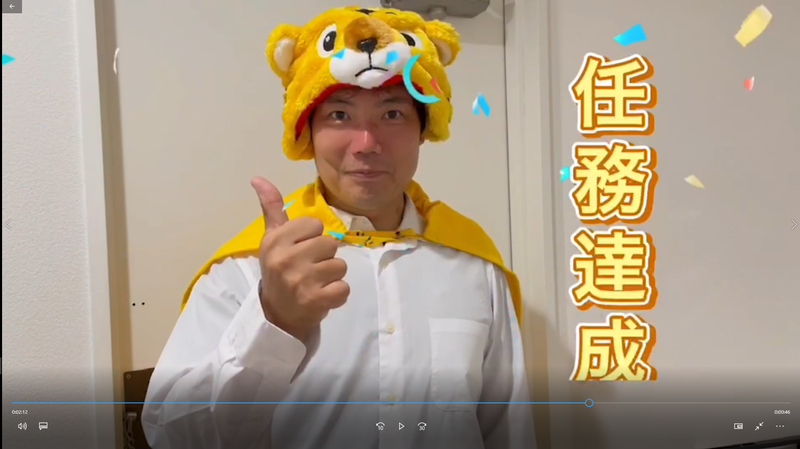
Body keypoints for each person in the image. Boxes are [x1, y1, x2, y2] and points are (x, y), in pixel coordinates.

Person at [142, 6, 534, 449]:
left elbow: (510, 428)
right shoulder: (248, 269)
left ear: (424, 129)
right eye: (340, 116)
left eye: (392, 114)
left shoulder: (475, 265)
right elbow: (171, 434)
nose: (366, 144)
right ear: (307, 131)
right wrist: (273, 323)